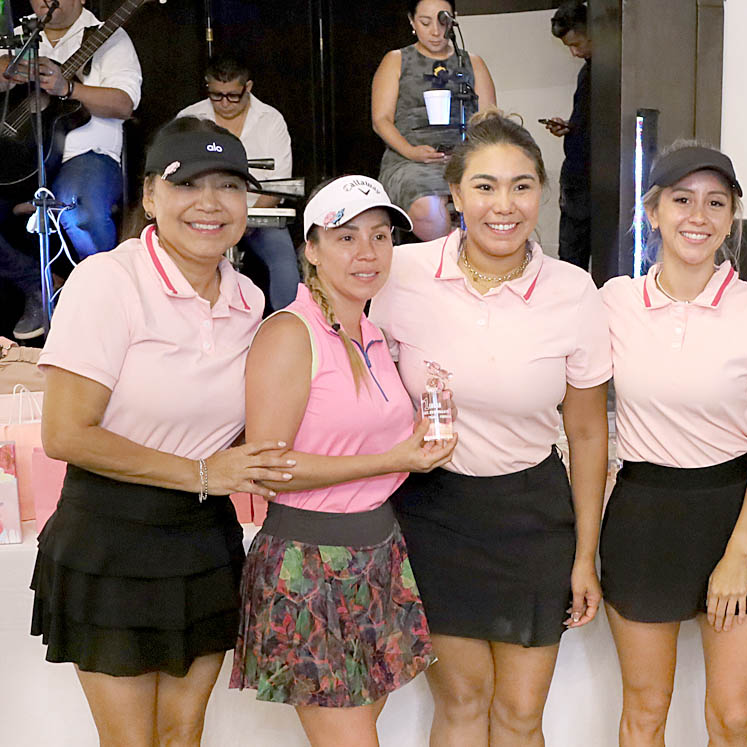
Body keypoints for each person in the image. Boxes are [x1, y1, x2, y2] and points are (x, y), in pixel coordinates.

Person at [29, 116, 294, 747]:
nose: (210, 203)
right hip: (109, 540)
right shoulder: (107, 282)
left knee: (184, 736)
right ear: (150, 196)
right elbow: (65, 434)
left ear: (249, 201)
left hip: (204, 542)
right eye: (187, 185)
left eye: (229, 185)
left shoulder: (250, 300)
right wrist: (204, 473)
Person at [369, 109, 610, 745]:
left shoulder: (573, 292)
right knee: (463, 702)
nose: (503, 205)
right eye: (484, 186)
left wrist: (586, 555)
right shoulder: (403, 276)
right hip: (434, 514)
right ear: (454, 194)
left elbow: (587, 435)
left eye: (522, 186)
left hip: (533, 516)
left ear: (541, 194)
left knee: (522, 715)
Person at [231, 175, 457, 745]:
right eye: (346, 237)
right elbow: (268, 466)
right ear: (311, 248)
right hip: (310, 565)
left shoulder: (375, 334)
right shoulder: (290, 333)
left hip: (378, 553)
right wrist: (392, 458)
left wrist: (414, 453)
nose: (367, 253)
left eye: (380, 237)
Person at [599, 142, 747, 745]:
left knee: (733, 715)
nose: (699, 215)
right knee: (644, 709)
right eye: (682, 200)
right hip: (644, 514)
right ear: (654, 212)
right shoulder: (615, 302)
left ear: (732, 217)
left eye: (716, 203)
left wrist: (738, 554)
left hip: (736, 514)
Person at [0, 0, 142, 339]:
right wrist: (8, 72)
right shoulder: (19, 36)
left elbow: (124, 103)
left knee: (82, 212)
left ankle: (111, 305)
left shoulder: (109, 36)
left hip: (86, 154)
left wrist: (69, 89)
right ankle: (40, 283)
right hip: (19, 160)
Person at [178, 55, 300, 312]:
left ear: (249, 87)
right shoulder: (189, 118)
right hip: (203, 215)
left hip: (258, 214)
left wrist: (239, 221)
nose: (224, 103)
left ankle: (290, 326)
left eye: (233, 96)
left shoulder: (270, 120)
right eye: (216, 95)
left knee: (284, 265)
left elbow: (277, 187)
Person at [372, 0, 497, 241]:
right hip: (409, 159)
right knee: (430, 209)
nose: (435, 32)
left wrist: (469, 155)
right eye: (425, 23)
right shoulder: (396, 60)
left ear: (453, 19)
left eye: (442, 22)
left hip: (464, 157)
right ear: (412, 21)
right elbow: (381, 120)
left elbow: (488, 120)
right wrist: (411, 151)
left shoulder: (472, 63)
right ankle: (454, 257)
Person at [542, 0, 591, 270]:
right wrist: (569, 127)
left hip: (592, 181)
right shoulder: (587, 73)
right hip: (576, 177)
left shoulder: (607, 72)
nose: (574, 52)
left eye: (577, 43)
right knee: (570, 262)